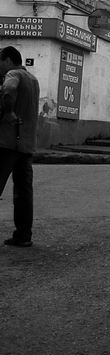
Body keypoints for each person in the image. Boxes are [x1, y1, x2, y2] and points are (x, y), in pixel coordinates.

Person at [0, 46, 40, 248]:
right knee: (24, 191)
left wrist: (8, 112)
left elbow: (8, 89)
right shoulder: (33, 79)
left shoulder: (13, 74)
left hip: (8, 142)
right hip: (26, 144)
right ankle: (23, 234)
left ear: (7, 60)